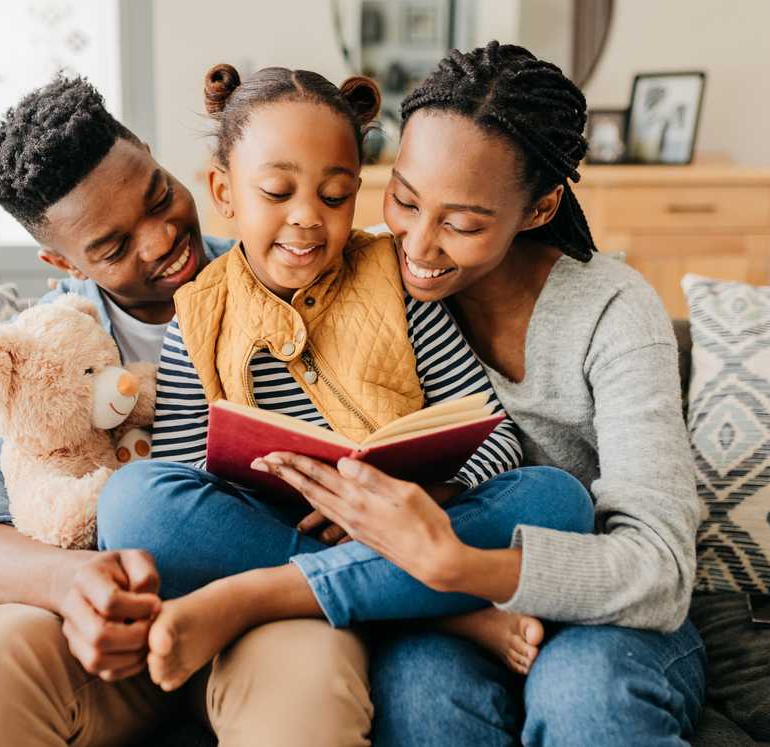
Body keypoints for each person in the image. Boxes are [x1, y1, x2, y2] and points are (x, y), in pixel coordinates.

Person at [256, 42, 708, 745]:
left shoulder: (613, 313)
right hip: (439, 605)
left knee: (582, 693)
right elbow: (244, 267)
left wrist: (460, 564)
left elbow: (661, 567)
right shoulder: (368, 276)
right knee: (422, 693)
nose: (417, 245)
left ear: (540, 207)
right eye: (404, 199)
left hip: (601, 609)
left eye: (462, 223)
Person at [98, 62, 594, 694]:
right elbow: (180, 467)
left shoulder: (396, 284)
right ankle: (440, 613)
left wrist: (430, 494)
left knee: (558, 497)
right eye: (277, 192)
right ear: (224, 191)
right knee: (133, 501)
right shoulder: (197, 315)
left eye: (334, 196)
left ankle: (293, 594)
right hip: (272, 530)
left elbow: (493, 435)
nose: (308, 217)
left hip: (415, 521)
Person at [0, 75, 374, 747]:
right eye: (113, 247)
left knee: (309, 688)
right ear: (63, 261)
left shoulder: (290, 272)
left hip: (267, 611)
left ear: (156, 159)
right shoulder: (35, 355)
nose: (159, 241)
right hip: (109, 639)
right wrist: (72, 583)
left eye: (159, 198)